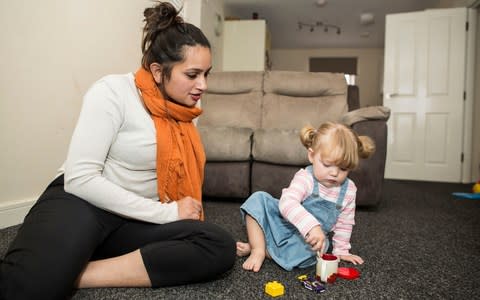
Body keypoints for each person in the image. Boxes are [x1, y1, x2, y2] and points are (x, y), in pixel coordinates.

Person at [0, 2, 235, 299]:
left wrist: (173, 217)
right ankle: (57, 265)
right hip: (83, 202)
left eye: (206, 74)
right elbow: (80, 178)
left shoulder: (186, 109)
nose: (202, 85)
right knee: (31, 289)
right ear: (158, 71)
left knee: (218, 245)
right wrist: (167, 214)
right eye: (192, 75)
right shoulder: (113, 92)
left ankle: (78, 272)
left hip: (134, 218)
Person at [237, 122, 375, 272]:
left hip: (305, 241)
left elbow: (345, 223)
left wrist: (341, 251)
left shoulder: (349, 190)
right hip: (283, 223)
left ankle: (265, 250)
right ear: (312, 156)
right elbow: (287, 203)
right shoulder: (305, 177)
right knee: (258, 199)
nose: (334, 173)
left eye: (343, 168)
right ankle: (258, 249)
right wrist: (311, 226)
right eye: (327, 165)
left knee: (319, 250)